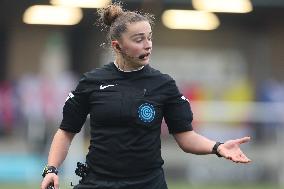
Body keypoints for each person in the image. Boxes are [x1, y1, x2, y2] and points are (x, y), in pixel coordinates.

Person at [40, 3, 251, 189]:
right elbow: (66, 132)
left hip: (148, 183)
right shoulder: (92, 82)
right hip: (99, 182)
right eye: (139, 39)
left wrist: (218, 147)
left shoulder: (163, 85)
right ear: (117, 46)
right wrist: (51, 170)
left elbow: (186, 137)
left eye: (149, 37)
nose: (148, 44)